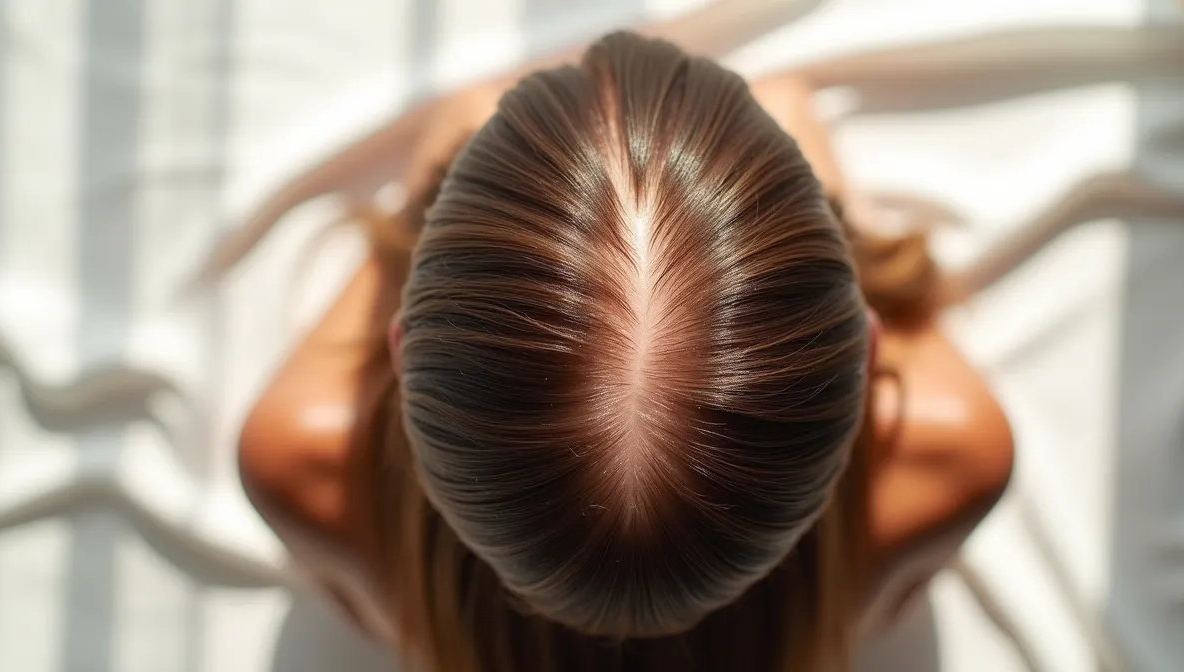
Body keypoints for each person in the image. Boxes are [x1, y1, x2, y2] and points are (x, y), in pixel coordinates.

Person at [234, 31, 1013, 672]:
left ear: (405, 354)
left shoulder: (300, 458)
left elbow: (450, 133)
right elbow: (792, 108)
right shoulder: (953, 457)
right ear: (868, 346)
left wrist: (448, 176)